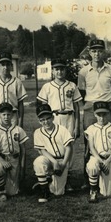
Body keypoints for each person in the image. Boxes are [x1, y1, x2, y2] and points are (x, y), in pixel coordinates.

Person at [78, 39, 111, 189]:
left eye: (99, 50)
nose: (97, 54)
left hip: (108, 108)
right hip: (91, 109)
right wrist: (91, 103)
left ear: (103, 52)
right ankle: (87, 179)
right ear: (89, 52)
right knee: (88, 144)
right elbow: (82, 91)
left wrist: (106, 102)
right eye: (94, 51)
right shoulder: (83, 72)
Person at [37, 58, 82, 191]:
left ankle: (67, 178)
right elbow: (41, 105)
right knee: (54, 146)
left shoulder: (72, 85)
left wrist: (77, 125)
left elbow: (77, 106)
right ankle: (53, 175)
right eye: (57, 69)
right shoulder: (47, 86)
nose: (59, 71)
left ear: (65, 70)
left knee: (69, 147)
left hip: (69, 117)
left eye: (62, 68)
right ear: (53, 71)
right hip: (54, 117)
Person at [33, 104, 74, 203]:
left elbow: (69, 147)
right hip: (49, 160)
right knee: (38, 161)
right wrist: (54, 162)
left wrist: (63, 164)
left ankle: (46, 180)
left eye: (48, 118)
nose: (46, 122)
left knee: (58, 192)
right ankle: (44, 191)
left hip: (62, 160)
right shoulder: (38, 132)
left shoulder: (62, 129)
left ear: (53, 117)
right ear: (39, 121)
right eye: (42, 120)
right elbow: (42, 151)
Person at [84, 101, 111, 203]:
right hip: (96, 157)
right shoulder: (91, 129)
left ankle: (101, 181)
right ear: (95, 114)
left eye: (104, 114)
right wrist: (101, 161)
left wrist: (108, 161)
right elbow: (91, 147)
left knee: (108, 194)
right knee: (92, 166)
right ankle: (93, 191)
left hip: (109, 159)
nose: (102, 117)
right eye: (99, 115)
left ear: (108, 114)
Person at [0, 102, 28, 201]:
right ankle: (1, 191)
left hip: (14, 159)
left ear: (12, 115)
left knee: (13, 192)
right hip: (2, 158)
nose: (6, 117)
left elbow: (23, 150)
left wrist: (23, 167)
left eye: (8, 114)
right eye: (3, 115)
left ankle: (9, 185)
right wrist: (2, 161)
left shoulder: (18, 130)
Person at [0, 52, 27, 129]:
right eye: (3, 65)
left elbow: (20, 103)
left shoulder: (17, 82)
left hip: (12, 116)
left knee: (13, 140)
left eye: (7, 64)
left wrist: (21, 121)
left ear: (11, 66)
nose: (5, 67)